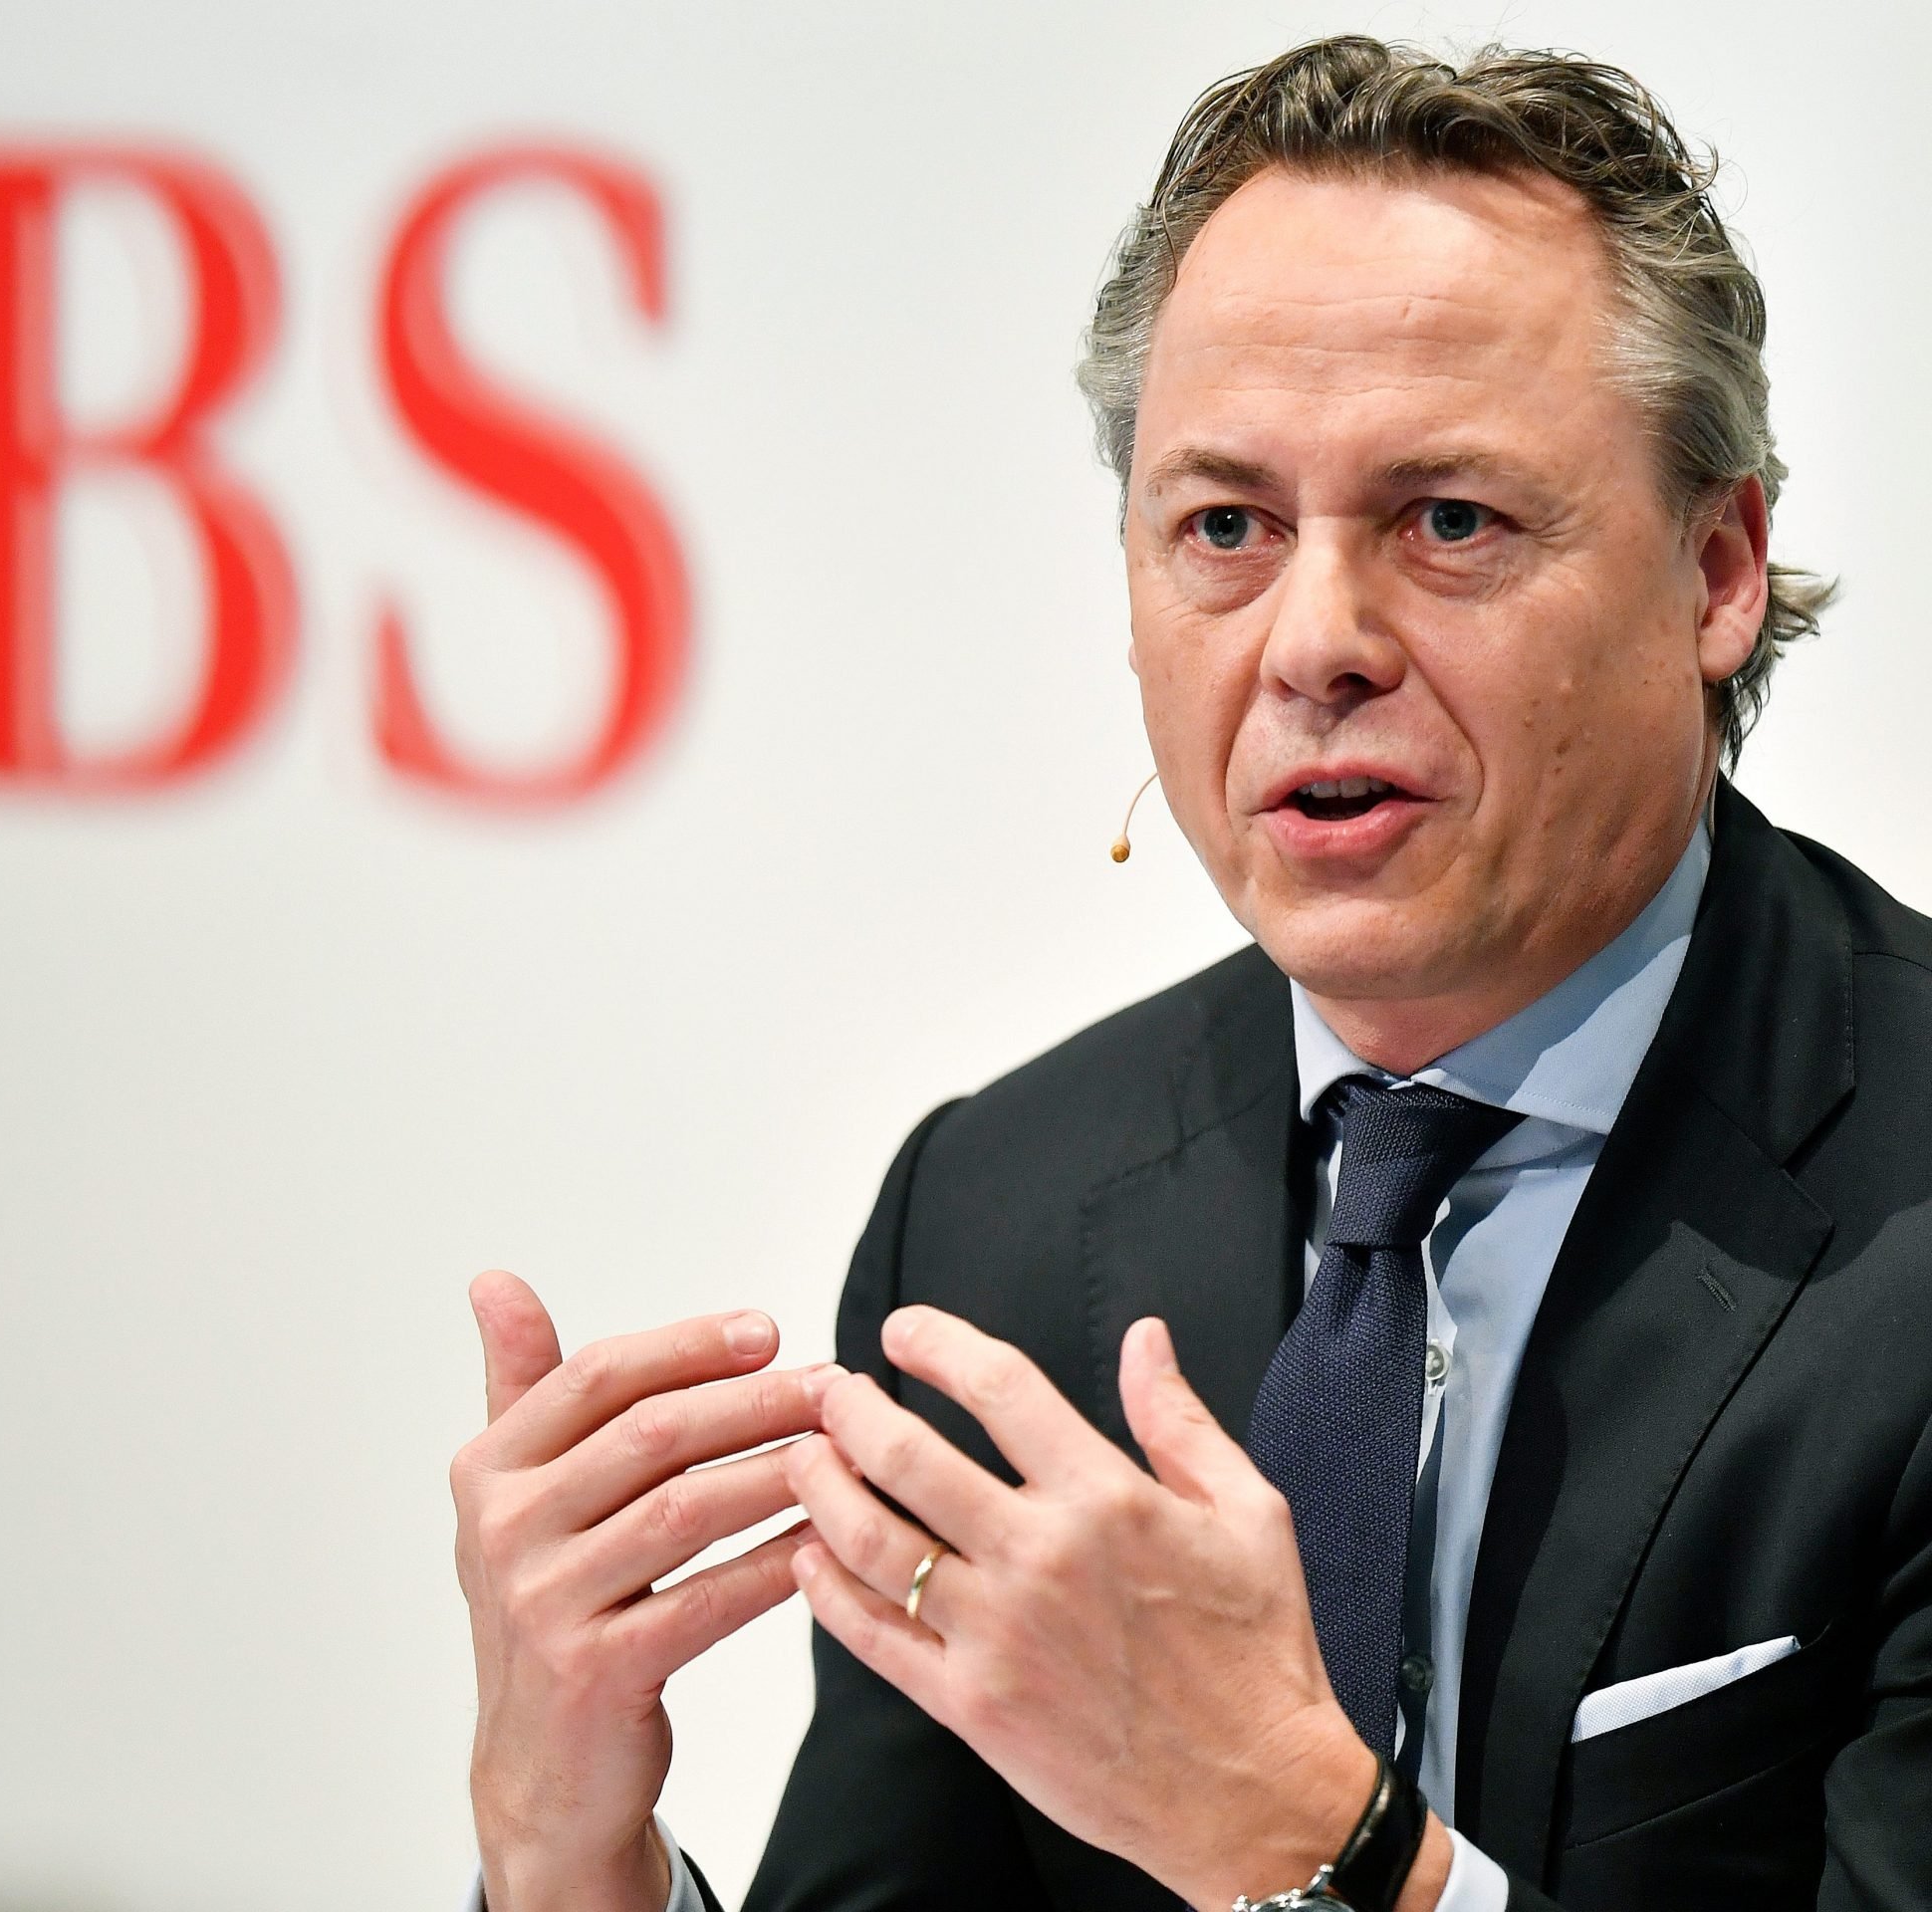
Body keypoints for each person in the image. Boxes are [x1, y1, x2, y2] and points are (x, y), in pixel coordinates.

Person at [449, 36, 1932, 1912]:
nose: (1316, 642)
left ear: (1717, 572)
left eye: (1449, 522)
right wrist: (569, 1858)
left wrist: (1316, 1847)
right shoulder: (997, 1215)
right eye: (1226, 528)